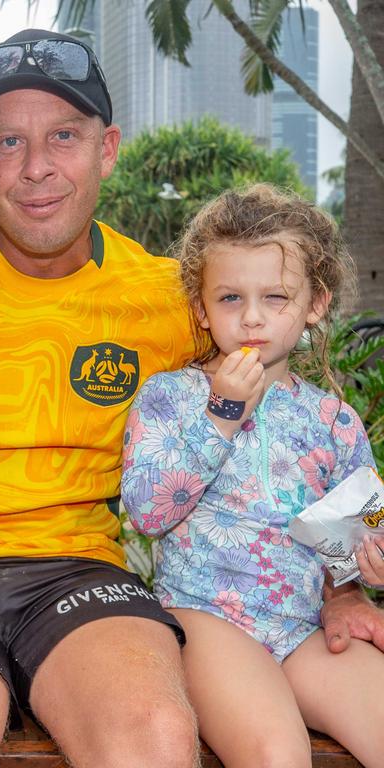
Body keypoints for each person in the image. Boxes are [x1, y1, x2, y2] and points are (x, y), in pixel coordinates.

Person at [0, 29, 384, 768]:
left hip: (79, 569)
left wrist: (340, 584)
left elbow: (288, 434)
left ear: (108, 148)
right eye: (7, 143)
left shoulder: (170, 299)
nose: (36, 168)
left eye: (64, 136)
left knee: (155, 737)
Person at [121, 184, 384, 767]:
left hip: (303, 628)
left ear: (315, 304)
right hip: (205, 618)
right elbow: (147, 512)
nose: (253, 317)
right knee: (275, 753)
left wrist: (360, 574)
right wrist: (221, 416)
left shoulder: (334, 421)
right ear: (201, 308)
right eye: (231, 298)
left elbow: (353, 538)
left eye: (276, 297)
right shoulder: (169, 398)